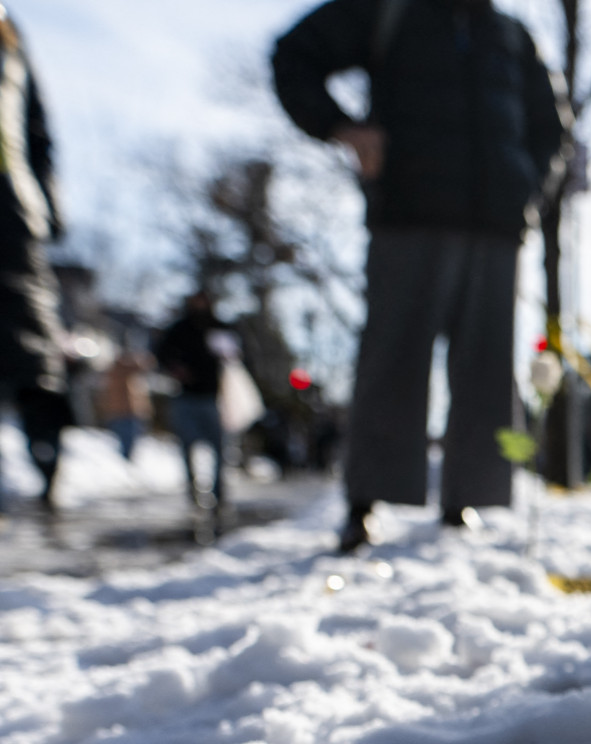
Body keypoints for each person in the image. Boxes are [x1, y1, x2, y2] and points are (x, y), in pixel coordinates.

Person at [271, 0, 566, 553]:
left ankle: (469, 499)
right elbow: (294, 55)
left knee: (487, 368)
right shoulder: (388, 11)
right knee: (392, 358)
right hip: (408, 212)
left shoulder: (511, 34)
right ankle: (366, 501)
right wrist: (340, 127)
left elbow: (552, 127)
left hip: (496, 225)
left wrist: (526, 188)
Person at [0, 7, 69, 514]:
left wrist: (48, 202)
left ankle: (47, 461)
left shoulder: (11, 35)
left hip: (12, 209)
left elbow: (37, 131)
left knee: (30, 348)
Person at [154, 291, 233, 513]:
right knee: (187, 445)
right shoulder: (179, 328)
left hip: (213, 396)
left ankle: (219, 493)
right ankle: (193, 490)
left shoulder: (219, 327)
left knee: (219, 447)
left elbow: (236, 354)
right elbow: (161, 353)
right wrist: (174, 369)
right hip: (185, 396)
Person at [96, 341, 153, 461]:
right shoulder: (123, 369)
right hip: (126, 412)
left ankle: (125, 462)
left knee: (127, 441)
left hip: (121, 412)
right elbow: (146, 364)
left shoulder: (112, 370)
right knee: (127, 441)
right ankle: (125, 463)